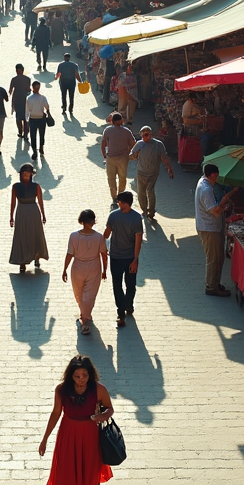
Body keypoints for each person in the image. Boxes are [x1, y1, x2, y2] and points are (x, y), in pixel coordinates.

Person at [38, 355, 114, 485]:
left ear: (91, 375)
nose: (81, 380)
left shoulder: (99, 390)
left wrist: (102, 416)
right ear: (70, 375)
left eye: (84, 376)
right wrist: (45, 438)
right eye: (77, 376)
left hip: (90, 436)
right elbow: (56, 413)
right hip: (68, 435)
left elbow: (109, 408)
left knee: (89, 470)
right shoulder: (61, 390)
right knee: (64, 474)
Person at [195, 163, 240, 297]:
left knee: (219, 257)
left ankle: (215, 282)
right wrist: (224, 204)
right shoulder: (206, 190)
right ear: (212, 174)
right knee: (213, 259)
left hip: (213, 227)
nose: (217, 177)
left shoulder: (206, 184)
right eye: (216, 174)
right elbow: (215, 211)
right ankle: (211, 286)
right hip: (209, 228)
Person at [63, 210, 108, 335]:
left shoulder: (74, 236)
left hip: (77, 268)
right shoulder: (99, 237)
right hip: (94, 267)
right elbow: (104, 254)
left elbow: (70, 254)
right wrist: (105, 270)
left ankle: (84, 317)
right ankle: (86, 316)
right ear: (93, 221)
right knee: (90, 294)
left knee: (79, 293)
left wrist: (65, 269)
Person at [103, 191, 143, 328]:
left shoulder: (133, 218)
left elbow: (138, 241)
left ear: (126, 203)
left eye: (120, 202)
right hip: (118, 257)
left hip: (126, 258)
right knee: (122, 285)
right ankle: (122, 311)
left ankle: (127, 306)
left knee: (126, 285)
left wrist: (135, 259)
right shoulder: (122, 217)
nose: (119, 204)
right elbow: (107, 234)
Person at [9, 163, 49, 273]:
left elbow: (40, 201)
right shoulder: (15, 186)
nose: (26, 176)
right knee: (22, 235)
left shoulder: (36, 186)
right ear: (21, 174)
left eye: (28, 174)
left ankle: (36, 256)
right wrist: (11, 217)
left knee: (35, 234)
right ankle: (22, 261)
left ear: (31, 175)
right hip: (21, 211)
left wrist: (43, 215)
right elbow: (13, 203)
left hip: (33, 212)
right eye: (24, 174)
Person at [129, 126, 173, 220]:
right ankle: (144, 210)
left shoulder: (158, 144)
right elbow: (131, 156)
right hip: (141, 172)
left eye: (146, 134)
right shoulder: (139, 144)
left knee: (150, 191)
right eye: (143, 135)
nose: (145, 137)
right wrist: (135, 155)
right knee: (141, 192)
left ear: (150, 134)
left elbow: (164, 157)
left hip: (153, 173)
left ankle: (151, 211)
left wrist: (169, 168)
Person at [101, 113, 135, 203]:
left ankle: (114, 196)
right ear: (121, 121)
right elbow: (133, 143)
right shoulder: (127, 131)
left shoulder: (107, 130)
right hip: (123, 158)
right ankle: (121, 195)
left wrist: (104, 155)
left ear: (112, 121)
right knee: (122, 178)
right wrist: (128, 152)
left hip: (111, 158)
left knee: (111, 178)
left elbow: (103, 143)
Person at [26, 80, 51, 161]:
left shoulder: (29, 98)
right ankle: (41, 148)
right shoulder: (43, 98)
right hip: (41, 118)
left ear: (32, 88)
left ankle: (34, 151)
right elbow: (47, 107)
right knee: (42, 134)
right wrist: (48, 113)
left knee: (33, 136)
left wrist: (27, 119)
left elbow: (28, 109)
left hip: (32, 118)